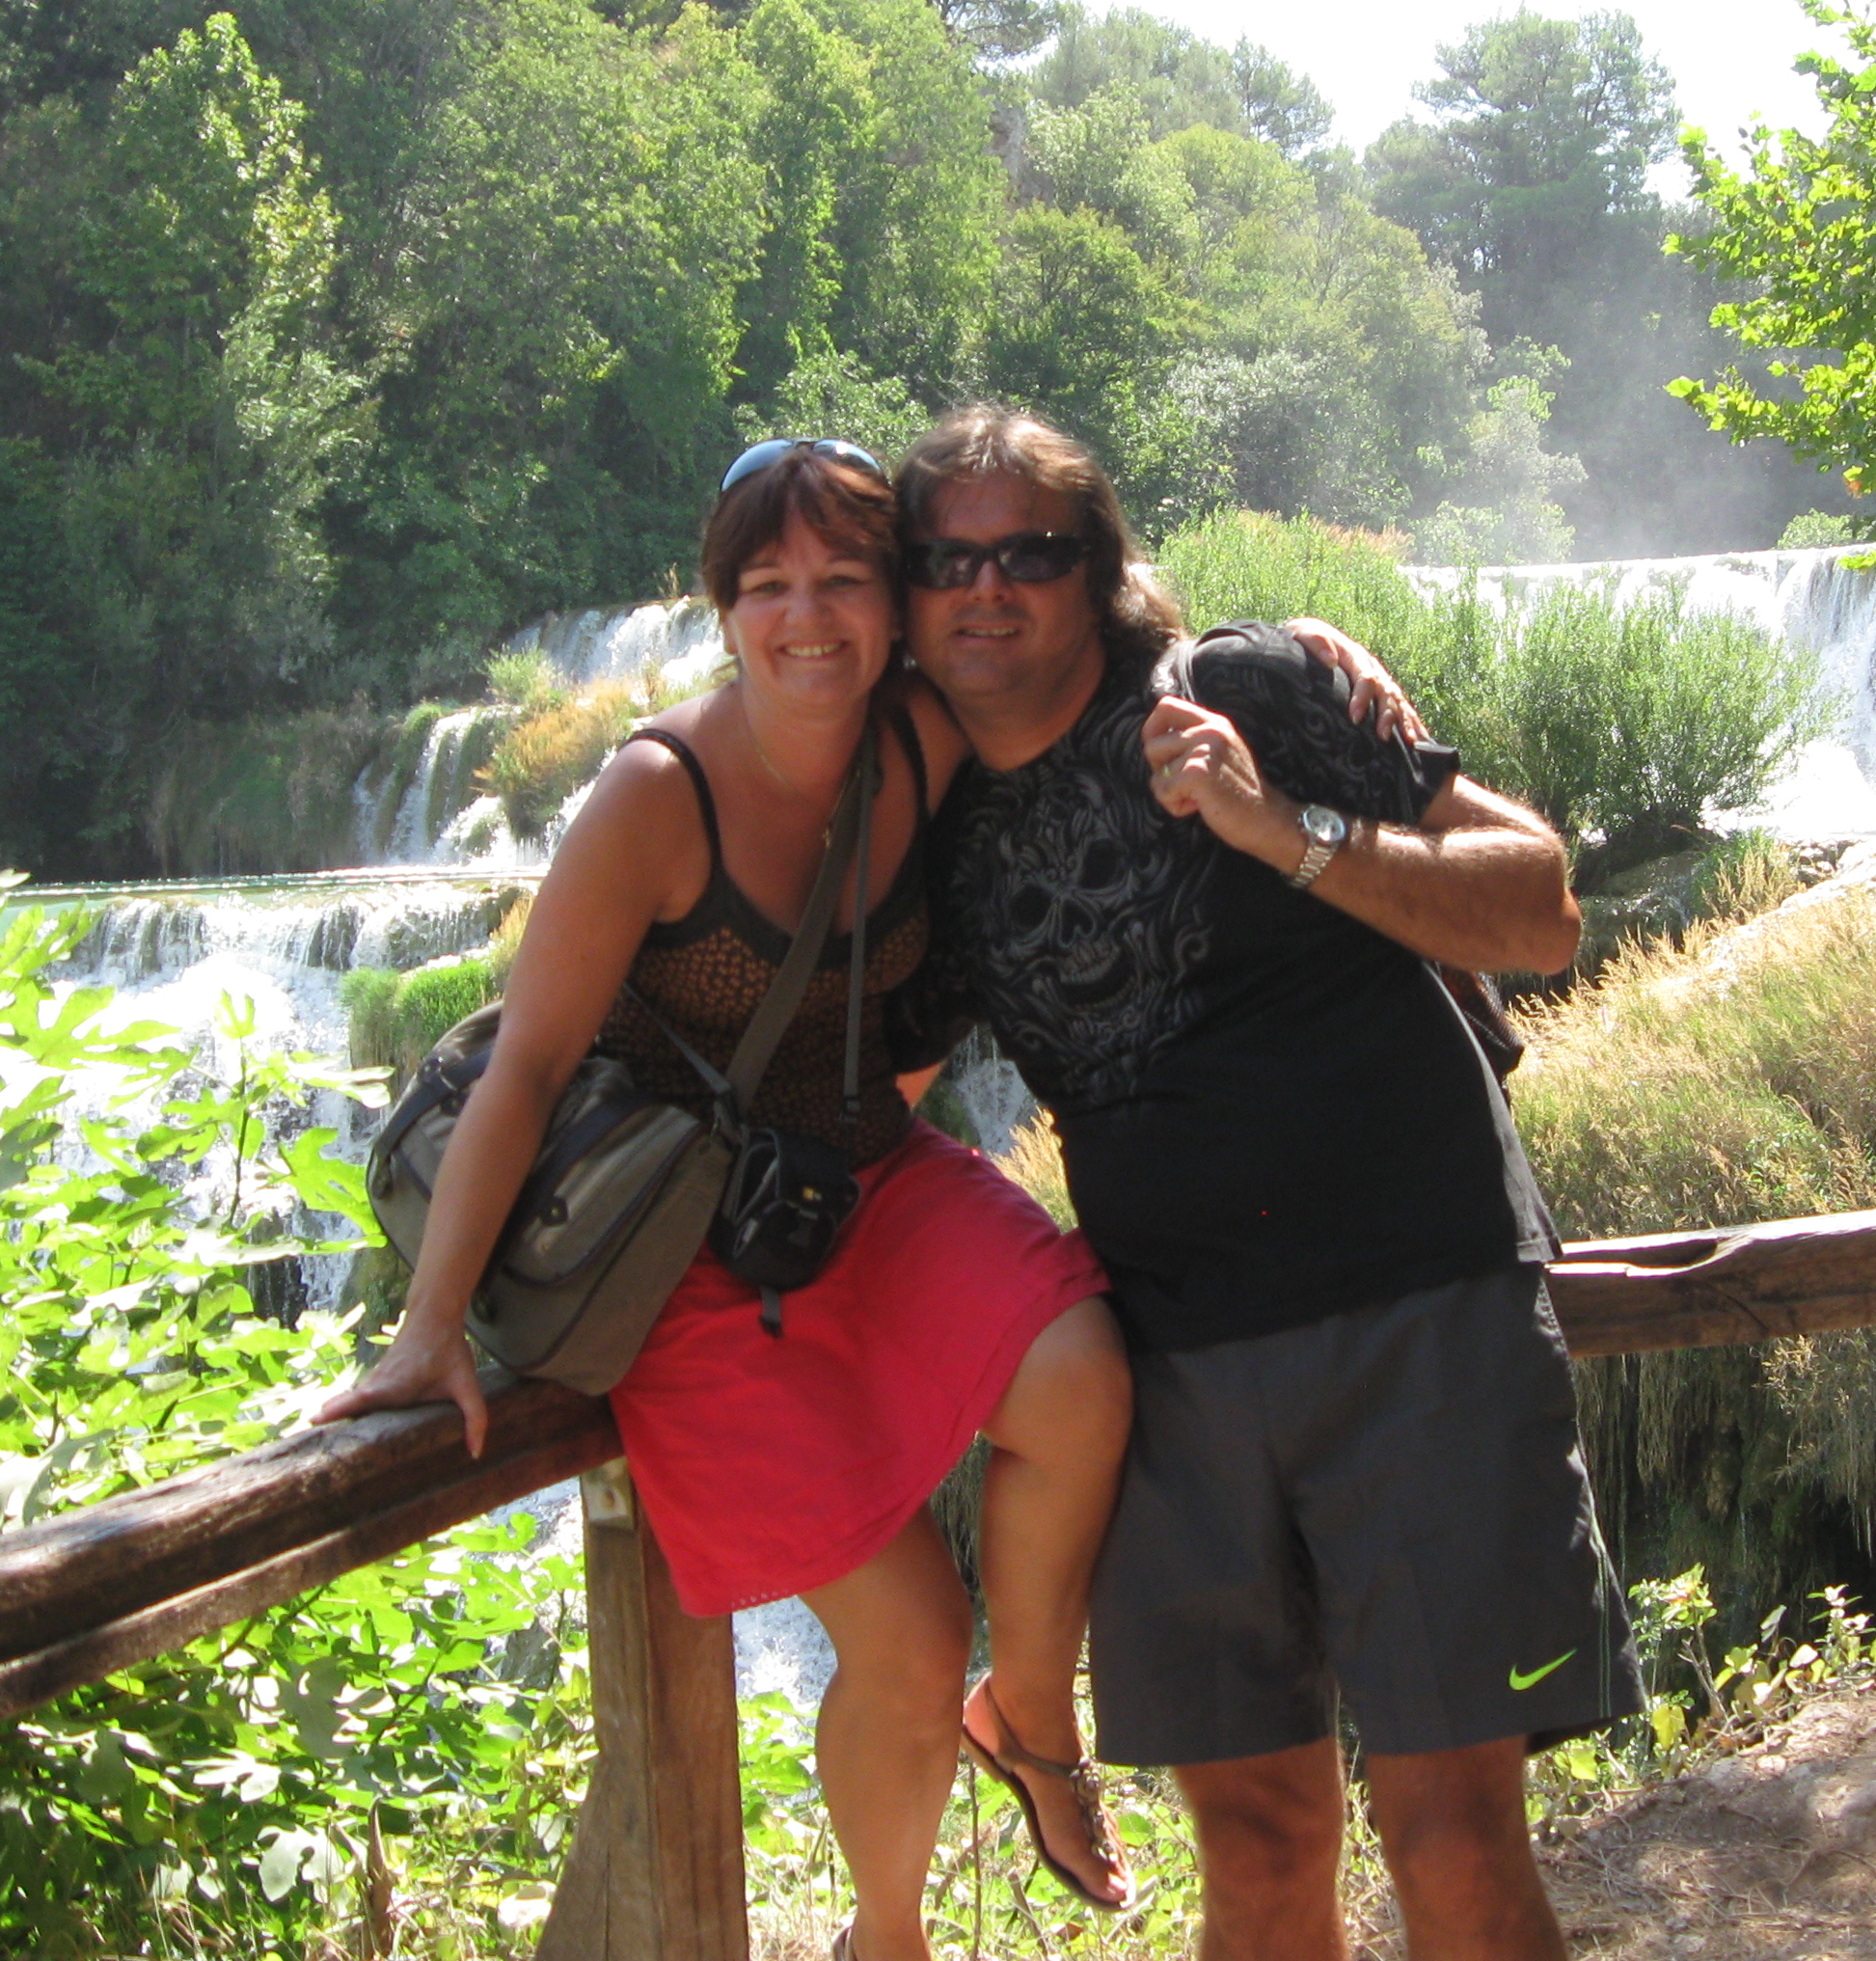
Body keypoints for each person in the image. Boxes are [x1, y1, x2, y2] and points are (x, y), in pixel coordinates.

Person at [315, 440, 1135, 1961]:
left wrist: (1293, 665)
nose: (806, 616)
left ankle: (1031, 1716)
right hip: (683, 1246)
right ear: (724, 610)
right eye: (768, 585)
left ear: (893, 603)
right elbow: (524, 1066)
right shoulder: (656, 795)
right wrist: (430, 1326)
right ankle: (886, 1938)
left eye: (842, 579)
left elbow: (1112, 654)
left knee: (1083, 1375)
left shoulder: (923, 734)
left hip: (857, 1177)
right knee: (907, 1637)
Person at [891, 406, 1642, 1961]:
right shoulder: (931, 837)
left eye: (1029, 553)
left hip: (1421, 1317)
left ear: (1096, 569)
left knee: (1451, 1840)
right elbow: (868, 1099)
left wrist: (1282, 828)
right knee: (1259, 1843)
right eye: (944, 561)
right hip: (1168, 1378)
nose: (986, 589)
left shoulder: (1242, 689)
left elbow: (1541, 909)